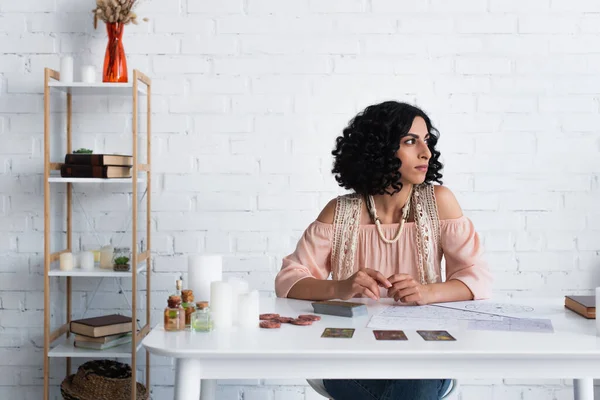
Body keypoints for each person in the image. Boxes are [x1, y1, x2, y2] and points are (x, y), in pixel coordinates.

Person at [274, 101, 493, 400]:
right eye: (410, 141)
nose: (425, 152)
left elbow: (477, 279)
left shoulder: (439, 202)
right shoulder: (338, 212)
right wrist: (342, 286)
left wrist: (427, 292)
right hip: (354, 352)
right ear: (379, 149)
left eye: (426, 141)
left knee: (414, 384)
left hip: (424, 351)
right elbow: (289, 282)